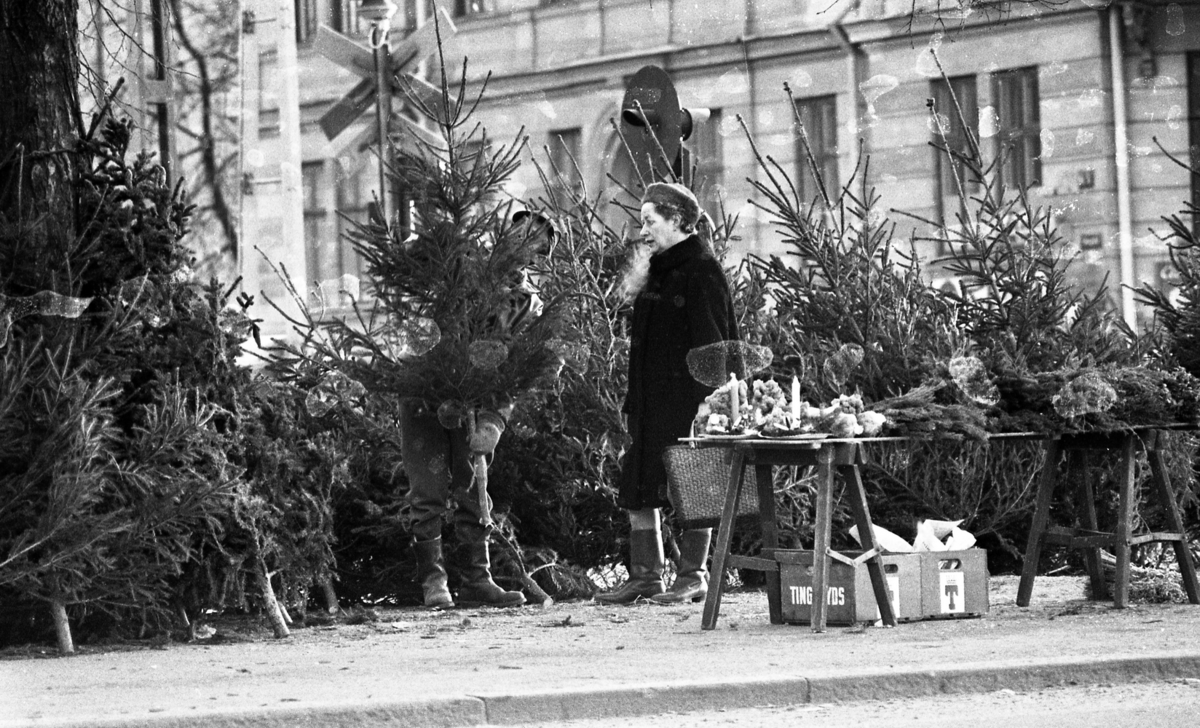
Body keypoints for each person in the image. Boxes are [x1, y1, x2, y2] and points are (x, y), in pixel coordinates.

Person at [596, 182, 739, 605]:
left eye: (650, 221)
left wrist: (707, 405)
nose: (643, 231)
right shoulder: (657, 269)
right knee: (638, 485)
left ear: (677, 220)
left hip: (685, 404)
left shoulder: (701, 269)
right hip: (649, 401)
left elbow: (715, 346)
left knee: (694, 486)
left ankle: (693, 576)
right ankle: (646, 577)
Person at [408, 209, 556, 610]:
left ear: (538, 258)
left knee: (474, 487)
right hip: (424, 391)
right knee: (427, 488)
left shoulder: (528, 305)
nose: (521, 248)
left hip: (478, 403)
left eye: (533, 245)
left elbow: (522, 370)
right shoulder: (461, 266)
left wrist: (494, 421)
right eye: (518, 235)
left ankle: (477, 579)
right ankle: (434, 581)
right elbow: (416, 267)